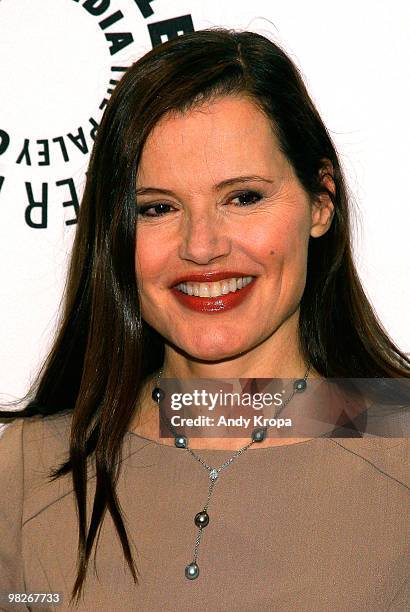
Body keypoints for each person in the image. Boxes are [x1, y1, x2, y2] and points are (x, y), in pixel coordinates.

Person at [0, 28, 409, 612]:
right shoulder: (27, 472)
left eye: (243, 197)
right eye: (158, 208)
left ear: (321, 202)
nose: (202, 246)